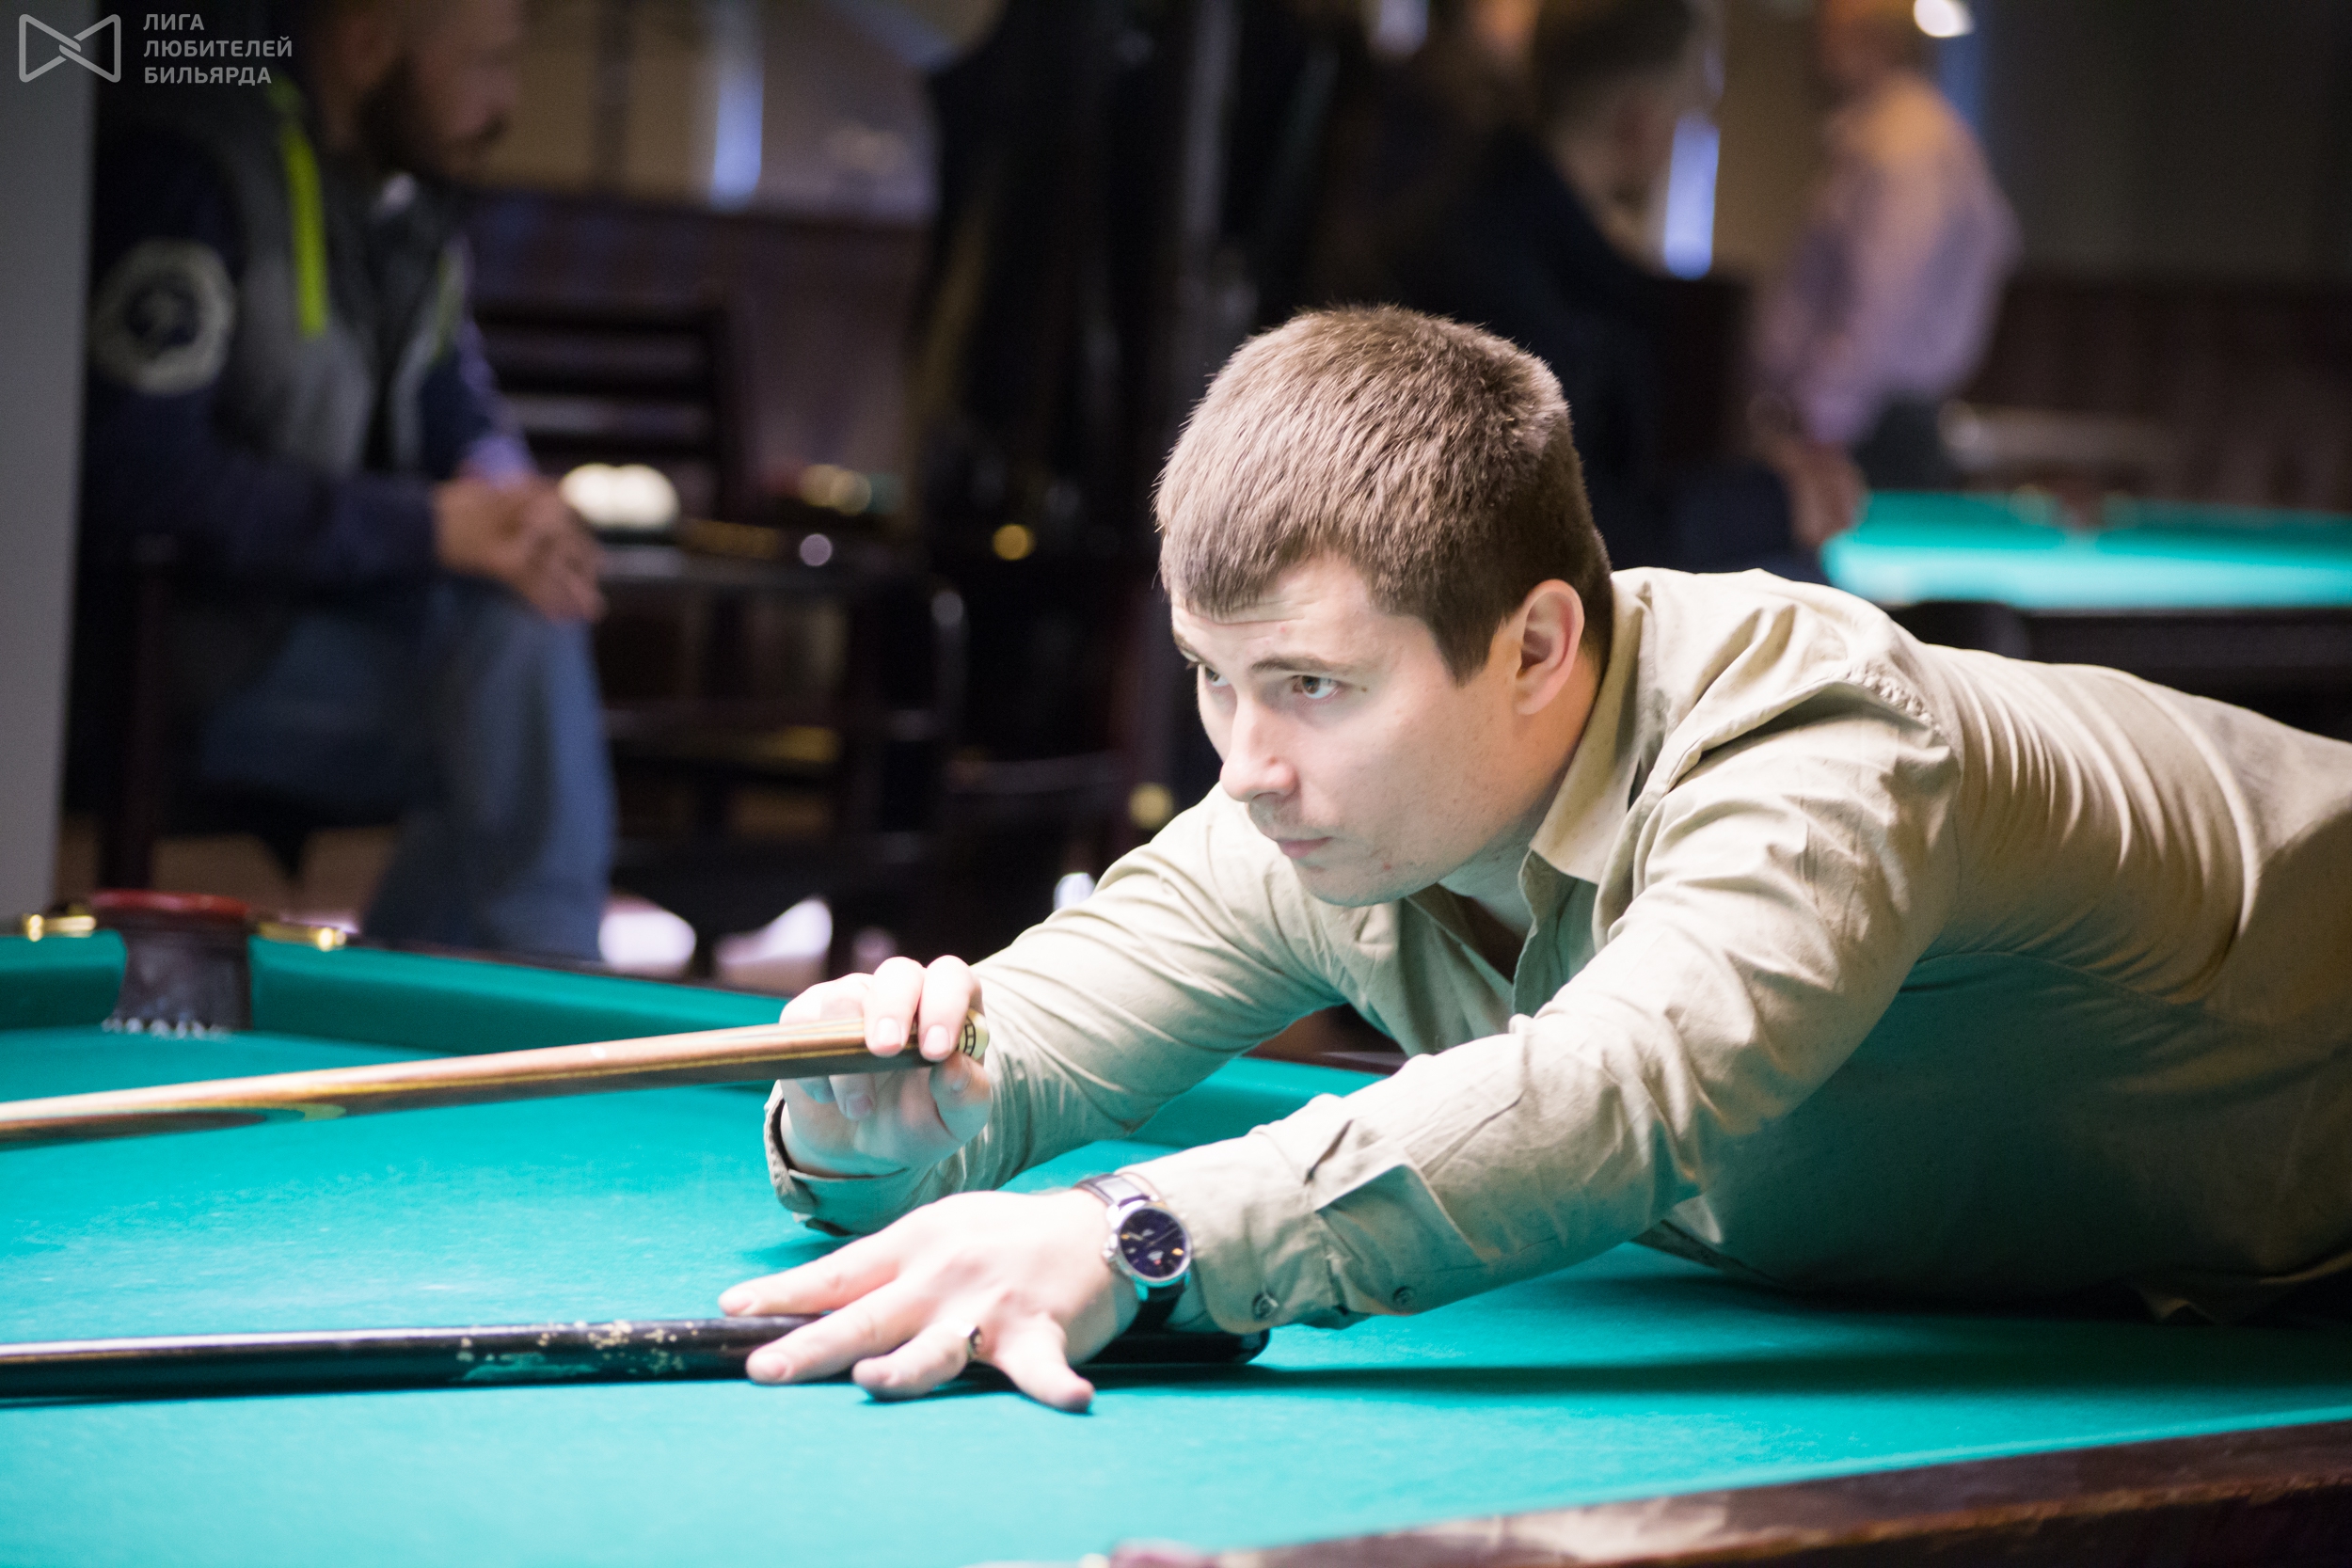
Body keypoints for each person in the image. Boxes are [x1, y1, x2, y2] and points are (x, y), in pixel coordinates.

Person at [717, 307, 2352, 1412]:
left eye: (1313, 684)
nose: (1246, 761)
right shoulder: (1316, 811)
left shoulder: (1821, 743)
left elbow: (1621, 1085)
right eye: (1215, 676)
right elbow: (1018, 1049)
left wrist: (1134, 1232)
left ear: (1537, 644)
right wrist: (873, 1115)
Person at [75, 0, 612, 958]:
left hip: (356, 635)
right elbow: (137, 476)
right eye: (488, 64)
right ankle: (545, 1005)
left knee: (524, 645)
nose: (507, 103)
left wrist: (516, 506)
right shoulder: (194, 172)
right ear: (367, 45)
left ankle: (438, 1014)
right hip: (190, 658)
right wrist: (426, 528)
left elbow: (461, 418)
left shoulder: (407, 205)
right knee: (511, 708)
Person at [1380, 0, 1859, 573]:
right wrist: (1773, 504)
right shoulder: (1513, 268)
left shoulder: (1497, 215)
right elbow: (1568, 529)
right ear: (1638, 120)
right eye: (1684, 114)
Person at [1751, 0, 2019, 490]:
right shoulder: (1886, 135)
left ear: (1878, 39)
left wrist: (1822, 424)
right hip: (1861, 421)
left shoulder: (1907, 145)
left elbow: (1884, 304)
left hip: (1867, 431)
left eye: (1832, 30)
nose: (1815, 46)